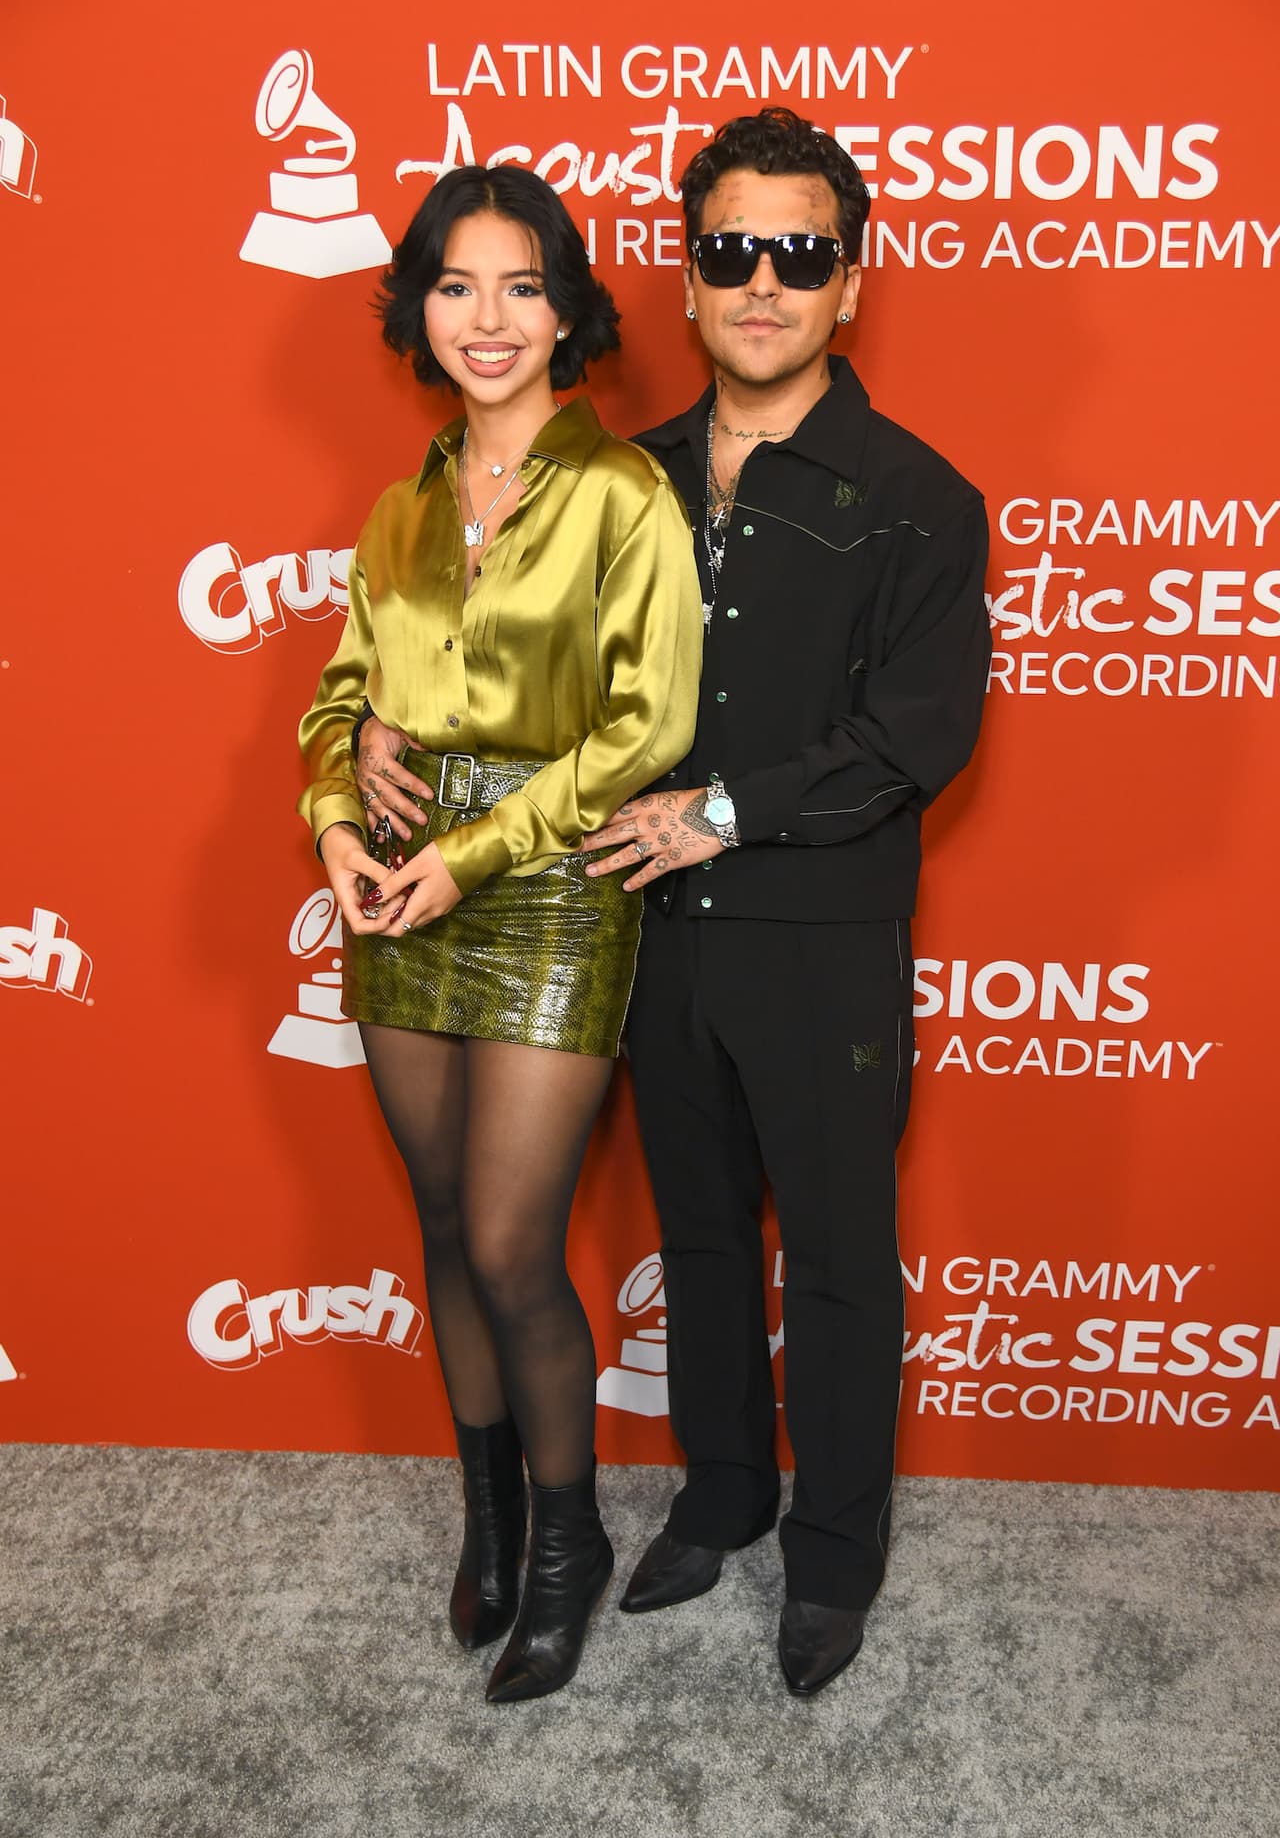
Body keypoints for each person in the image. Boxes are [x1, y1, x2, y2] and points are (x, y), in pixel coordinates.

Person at [578, 109, 991, 1695]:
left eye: (799, 254)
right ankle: (724, 1497)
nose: (763, 282)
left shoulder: (917, 495)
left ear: (852, 282)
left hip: (821, 941)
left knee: (829, 1252)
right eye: (731, 250)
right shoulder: (621, 482)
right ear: (689, 282)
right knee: (693, 1232)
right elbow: (543, 675)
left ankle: (834, 1556)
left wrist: (721, 816)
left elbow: (919, 737)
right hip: (652, 933)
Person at [297, 164, 702, 1704]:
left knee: (515, 1242)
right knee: (443, 1225)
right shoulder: (400, 506)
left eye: (521, 285)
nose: (488, 317)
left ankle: (565, 1546)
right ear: (418, 306)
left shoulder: (622, 496)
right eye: (457, 285)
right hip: (398, 886)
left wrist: (470, 855)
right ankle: (486, 1520)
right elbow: (341, 699)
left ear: (567, 309)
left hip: (545, 885)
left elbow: (644, 727)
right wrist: (338, 815)